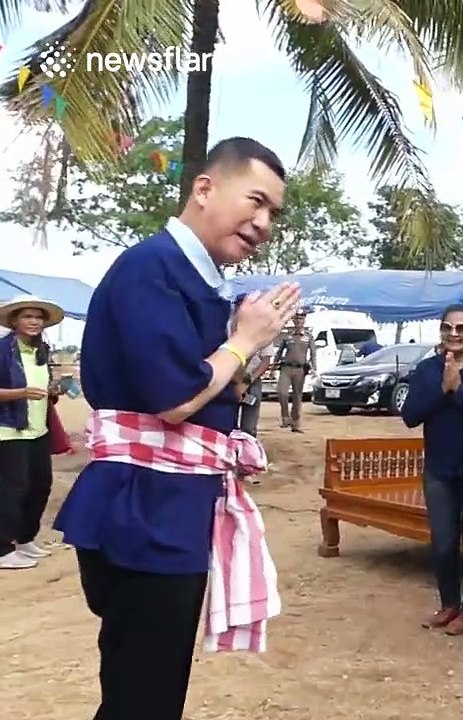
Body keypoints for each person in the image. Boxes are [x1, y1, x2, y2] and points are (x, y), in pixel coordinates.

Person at [52, 137, 300, 720]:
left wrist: (243, 353)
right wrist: (244, 340)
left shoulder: (197, 279)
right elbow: (174, 398)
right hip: (147, 511)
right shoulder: (152, 267)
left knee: (144, 689)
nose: (263, 223)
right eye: (256, 201)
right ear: (205, 188)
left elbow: (205, 387)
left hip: (166, 508)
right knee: (144, 696)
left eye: (273, 214)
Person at [400, 304, 463, 636]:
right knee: (443, 541)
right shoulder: (428, 370)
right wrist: (443, 388)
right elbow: (411, 415)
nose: (453, 334)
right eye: (447, 328)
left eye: (460, 328)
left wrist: (459, 388)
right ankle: (449, 603)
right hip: (439, 469)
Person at [0, 295, 71, 570]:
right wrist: (21, 393)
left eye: (38, 317)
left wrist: (53, 391)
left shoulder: (42, 351)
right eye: (27, 316)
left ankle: (25, 538)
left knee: (40, 486)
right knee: (10, 490)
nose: (34, 322)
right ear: (14, 321)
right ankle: (3, 549)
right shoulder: (3, 350)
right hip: (8, 431)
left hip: (38, 430)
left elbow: (41, 390)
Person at [231, 294, 272, 440]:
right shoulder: (225, 329)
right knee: (228, 423)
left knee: (249, 426)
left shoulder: (262, 329)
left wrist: (246, 382)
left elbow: (265, 361)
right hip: (228, 380)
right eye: (239, 306)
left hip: (252, 379)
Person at [274, 310, 314, 432]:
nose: (298, 321)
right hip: (286, 367)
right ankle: (285, 417)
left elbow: (313, 353)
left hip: (300, 369)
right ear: (293, 320)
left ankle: (295, 423)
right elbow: (279, 352)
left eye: (301, 319)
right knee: (282, 392)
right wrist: (273, 366)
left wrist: (314, 367)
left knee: (297, 396)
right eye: (296, 319)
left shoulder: (308, 337)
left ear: (304, 320)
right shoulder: (287, 336)